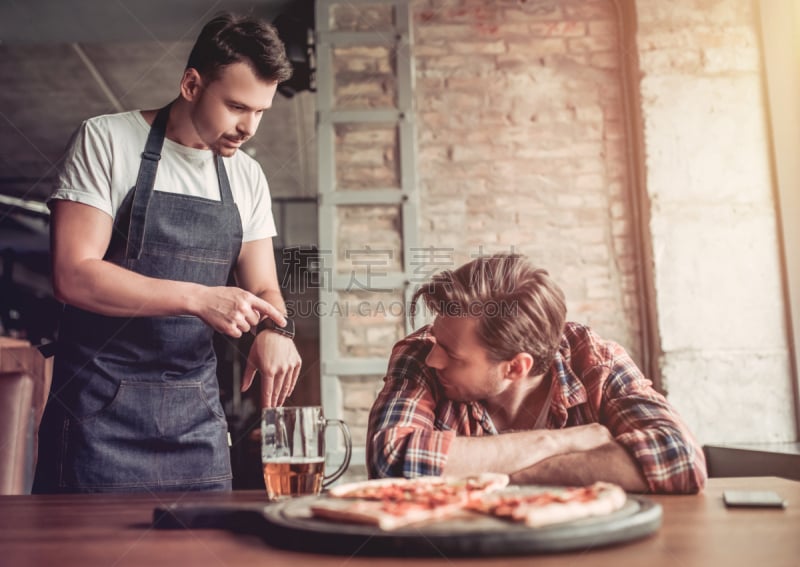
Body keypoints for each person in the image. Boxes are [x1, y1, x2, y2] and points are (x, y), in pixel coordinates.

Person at [33, 13, 302, 493]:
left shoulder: (246, 177)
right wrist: (198, 297)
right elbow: (73, 274)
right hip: (96, 420)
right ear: (192, 84)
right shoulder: (108, 140)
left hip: (195, 426)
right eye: (237, 106)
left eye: (260, 111)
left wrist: (275, 328)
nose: (249, 128)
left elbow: (264, 288)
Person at [367, 253, 707, 494]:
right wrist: (558, 442)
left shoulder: (596, 361)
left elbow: (679, 458)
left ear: (515, 367)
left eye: (452, 355)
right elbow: (391, 461)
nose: (433, 360)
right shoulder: (421, 353)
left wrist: (499, 478)